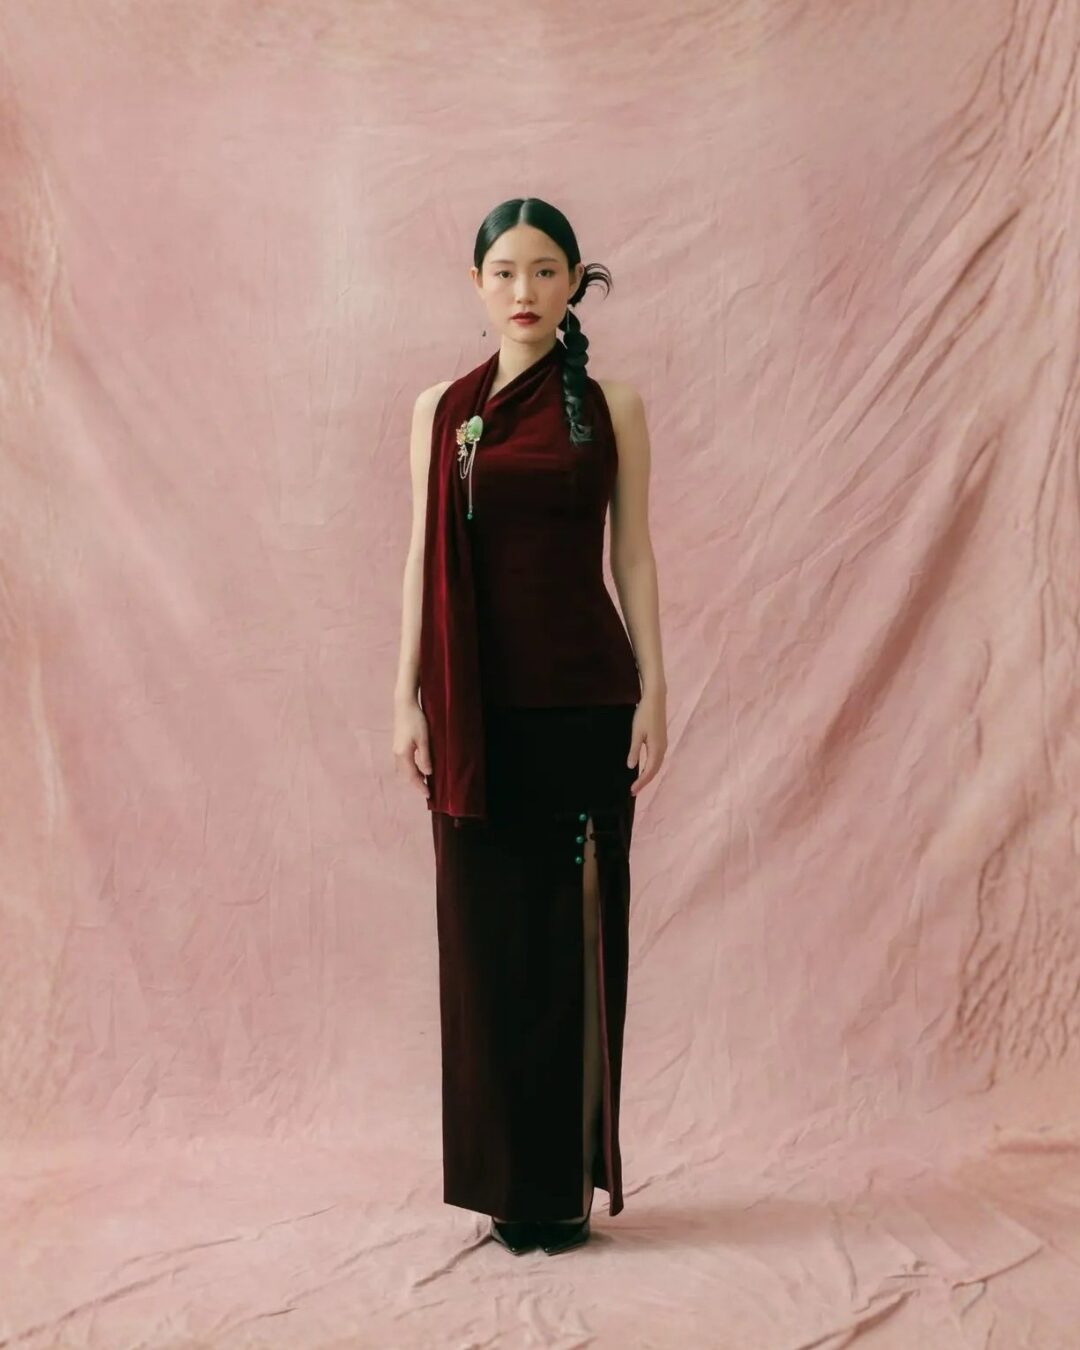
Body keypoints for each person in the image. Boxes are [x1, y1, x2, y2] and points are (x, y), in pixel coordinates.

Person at [392, 197, 667, 1256]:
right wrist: (404, 697)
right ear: (476, 284)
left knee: (573, 943)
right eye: (504, 272)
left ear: (575, 282)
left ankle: (563, 1189)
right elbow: (418, 557)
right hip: (474, 714)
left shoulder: (612, 406)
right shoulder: (440, 410)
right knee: (487, 950)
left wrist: (655, 689)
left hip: (585, 706)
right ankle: (507, 1184)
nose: (524, 291)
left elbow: (632, 554)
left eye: (546, 271)